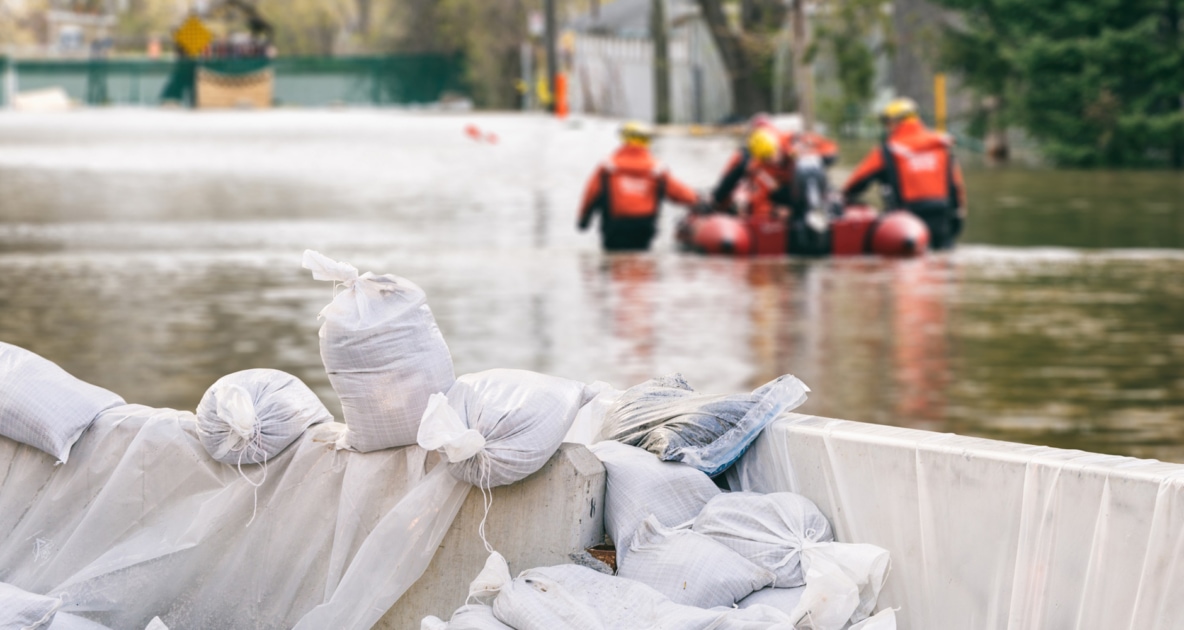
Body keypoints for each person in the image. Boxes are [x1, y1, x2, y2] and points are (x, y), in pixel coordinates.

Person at [842, 97, 967, 250]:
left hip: (905, 223)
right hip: (942, 218)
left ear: (897, 121)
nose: (887, 127)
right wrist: (958, 217)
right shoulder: (940, 145)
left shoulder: (888, 150)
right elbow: (956, 186)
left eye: (887, 122)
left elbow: (856, 183)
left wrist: (844, 197)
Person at [578, 121, 700, 251]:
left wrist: (584, 220)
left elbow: (591, 194)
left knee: (613, 263)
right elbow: (678, 192)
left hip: (614, 228)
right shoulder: (657, 168)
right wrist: (698, 200)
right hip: (644, 228)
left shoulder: (608, 166)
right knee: (642, 262)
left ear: (624, 139)